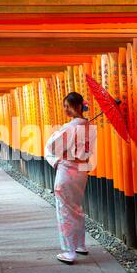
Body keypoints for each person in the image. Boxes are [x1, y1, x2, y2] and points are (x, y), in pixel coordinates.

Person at [44, 92, 97, 264]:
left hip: (67, 171)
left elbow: (52, 146)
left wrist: (57, 135)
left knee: (65, 210)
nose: (65, 109)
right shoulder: (89, 126)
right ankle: (80, 245)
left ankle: (69, 251)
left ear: (78, 106)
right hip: (81, 171)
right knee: (76, 208)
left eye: (68, 106)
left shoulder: (70, 127)